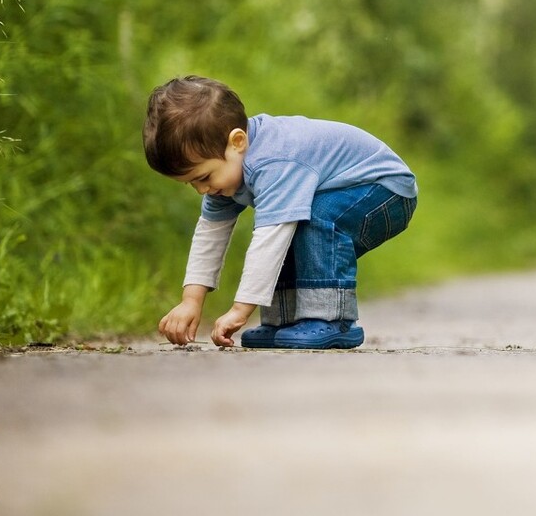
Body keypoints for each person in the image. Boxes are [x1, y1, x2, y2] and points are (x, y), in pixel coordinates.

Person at [143, 75, 418, 349]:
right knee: (294, 222)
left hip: (386, 189)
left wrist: (240, 310)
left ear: (237, 143)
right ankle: (283, 321)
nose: (201, 190)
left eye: (203, 178)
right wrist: (191, 300)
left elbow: (269, 241)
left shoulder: (274, 161)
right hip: (354, 188)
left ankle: (333, 321)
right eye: (191, 183)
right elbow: (210, 234)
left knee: (315, 218)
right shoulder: (225, 173)